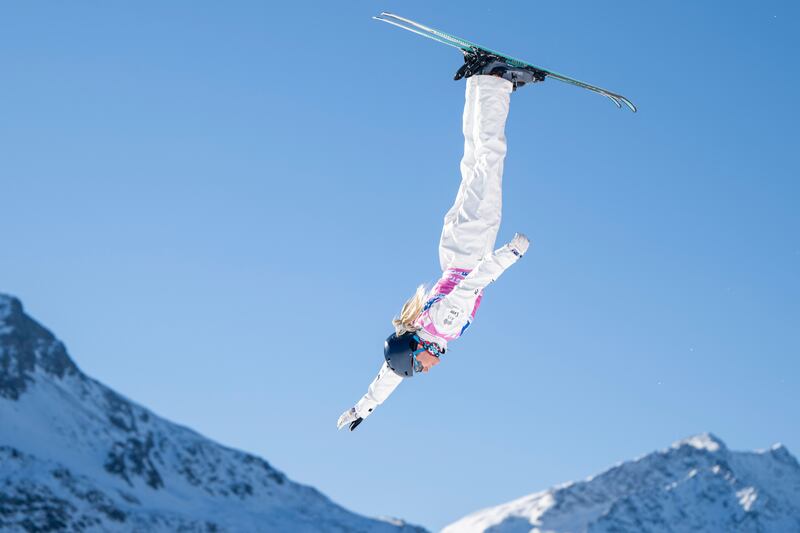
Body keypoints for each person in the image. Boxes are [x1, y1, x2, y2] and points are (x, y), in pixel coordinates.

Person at [337, 52, 539, 431]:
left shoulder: (444, 325)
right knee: (474, 163)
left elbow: (474, 282)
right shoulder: (422, 330)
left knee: (490, 160)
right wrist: (364, 407)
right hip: (452, 249)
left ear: (419, 350)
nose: (423, 373)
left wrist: (510, 254)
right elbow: (390, 372)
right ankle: (482, 84)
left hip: (472, 249)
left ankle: (495, 81)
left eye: (418, 369)